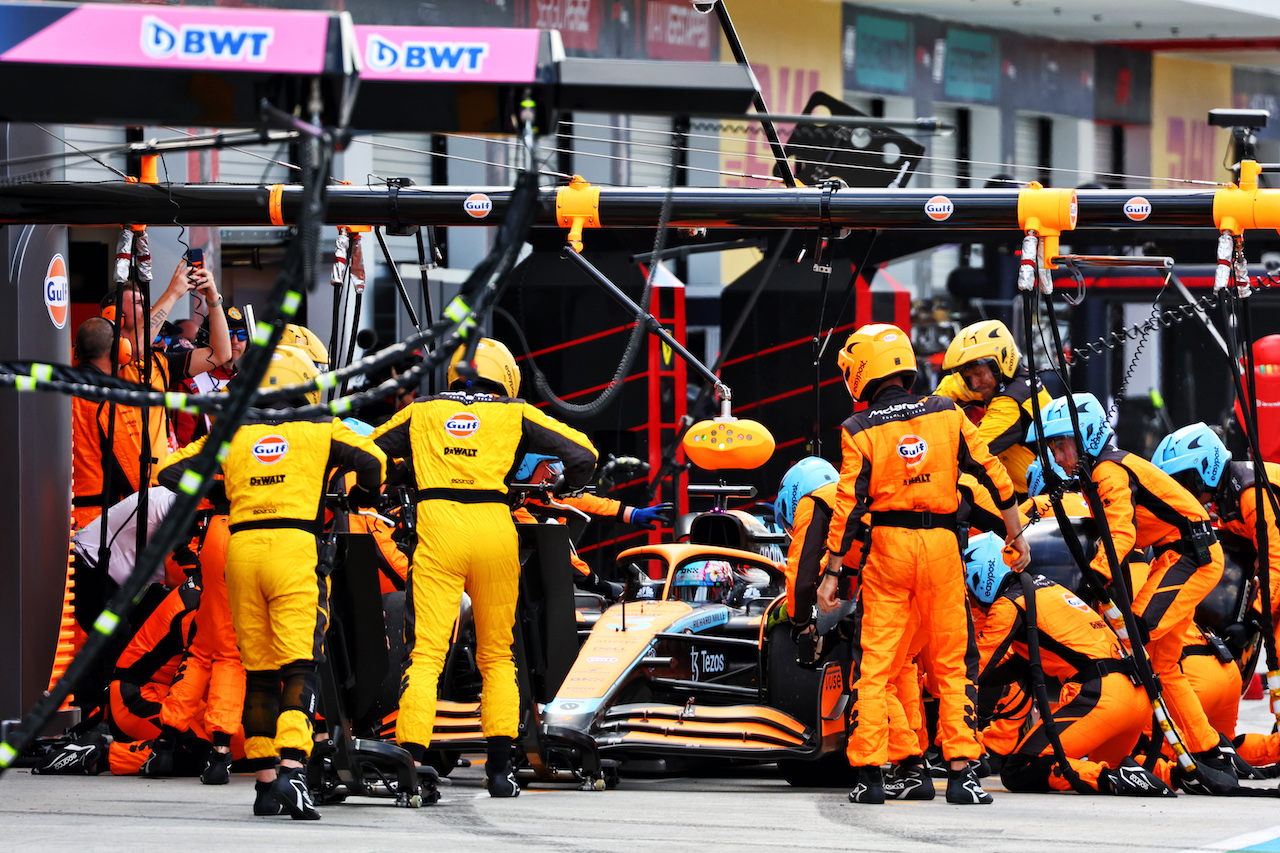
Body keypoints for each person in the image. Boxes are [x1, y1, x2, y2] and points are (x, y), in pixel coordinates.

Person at [158, 344, 386, 820]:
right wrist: (361, 492)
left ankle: (266, 786)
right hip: (294, 548)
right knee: (299, 668)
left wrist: (228, 492)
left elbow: (171, 470)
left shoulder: (232, 424)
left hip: (241, 551)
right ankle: (292, 774)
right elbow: (373, 462)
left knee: (258, 673)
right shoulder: (320, 422)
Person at [370, 337, 597, 798]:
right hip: (494, 530)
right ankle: (499, 772)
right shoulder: (514, 412)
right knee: (498, 655)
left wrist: (397, 477)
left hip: (438, 530)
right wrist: (567, 486)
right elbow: (583, 455)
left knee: (427, 655)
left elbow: (368, 454)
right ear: (505, 375)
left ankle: (410, 767)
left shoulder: (421, 410)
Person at [818, 323, 1029, 805]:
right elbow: (994, 474)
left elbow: (848, 505)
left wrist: (832, 574)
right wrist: (1016, 535)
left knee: (874, 666)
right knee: (954, 664)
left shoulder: (858, 429)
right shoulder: (948, 412)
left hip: (888, 549)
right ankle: (962, 776)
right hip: (941, 547)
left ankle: (871, 779)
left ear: (861, 372)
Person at [1028, 394, 1238, 793]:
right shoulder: (1096, 473)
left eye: (1061, 443)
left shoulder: (1109, 469)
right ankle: (1206, 751)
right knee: (1161, 662)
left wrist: (1097, 574)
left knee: (1138, 640)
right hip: (1178, 556)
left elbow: (1120, 532)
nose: (1057, 456)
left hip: (1191, 555)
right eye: (1052, 448)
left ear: (1086, 434)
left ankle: (1185, 751)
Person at [964, 533, 1172, 797]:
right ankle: (1171, 774)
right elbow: (1020, 666)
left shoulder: (1009, 605)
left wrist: (928, 683)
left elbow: (976, 668)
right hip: (1136, 697)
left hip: (1103, 696)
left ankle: (1111, 778)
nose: (968, 597)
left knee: (1020, 769)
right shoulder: (1049, 588)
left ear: (981, 576)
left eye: (967, 587)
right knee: (1108, 766)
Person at [71, 262, 231, 529]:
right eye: (136, 302)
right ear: (113, 316)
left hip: (157, 498)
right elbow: (132, 348)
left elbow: (221, 355)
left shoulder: (157, 364)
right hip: (106, 510)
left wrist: (214, 299)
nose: (144, 307)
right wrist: (173, 293)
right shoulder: (94, 360)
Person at [512, 452, 670, 601]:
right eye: (546, 466)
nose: (549, 475)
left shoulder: (522, 494)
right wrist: (602, 586)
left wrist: (630, 513)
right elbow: (554, 553)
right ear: (523, 468)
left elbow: (574, 502)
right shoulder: (513, 508)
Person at [937, 319, 1052, 495]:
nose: (974, 383)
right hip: (1020, 491)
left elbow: (969, 453)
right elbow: (952, 385)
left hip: (1042, 499)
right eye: (969, 377)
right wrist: (928, 412)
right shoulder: (1003, 380)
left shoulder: (1011, 403)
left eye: (978, 374)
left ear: (1003, 360)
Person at [172, 307, 250, 446]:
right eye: (228, 334)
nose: (235, 340)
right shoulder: (191, 383)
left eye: (242, 335)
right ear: (207, 338)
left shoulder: (249, 382)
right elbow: (182, 445)